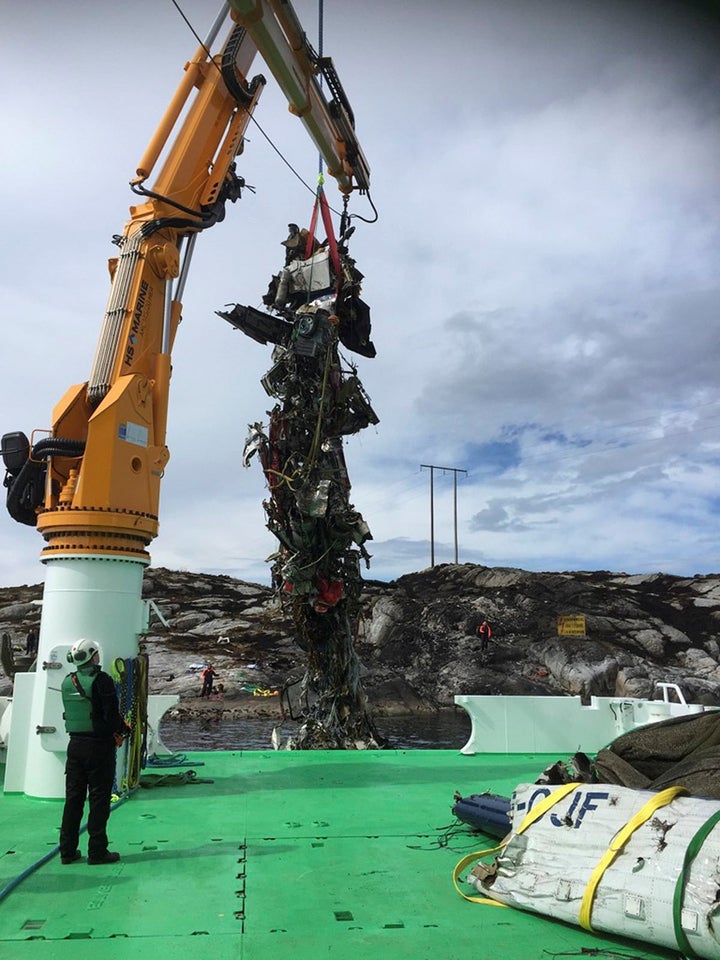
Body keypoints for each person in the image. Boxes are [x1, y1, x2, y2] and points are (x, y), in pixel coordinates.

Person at [59, 638, 128, 866]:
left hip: (75, 746)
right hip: (98, 747)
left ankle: (67, 851)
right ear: (92, 656)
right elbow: (110, 715)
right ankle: (97, 852)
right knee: (99, 800)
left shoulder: (67, 681)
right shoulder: (102, 680)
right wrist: (122, 729)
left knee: (73, 799)